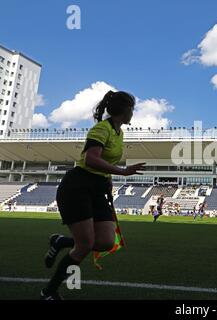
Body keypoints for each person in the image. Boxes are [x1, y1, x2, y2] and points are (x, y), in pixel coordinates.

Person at [40, 90, 146, 300]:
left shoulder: (119, 133)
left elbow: (106, 163)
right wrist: (123, 172)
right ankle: (49, 292)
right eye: (132, 108)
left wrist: (108, 180)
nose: (133, 112)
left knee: (107, 241)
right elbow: (91, 159)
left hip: (97, 188)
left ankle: (61, 242)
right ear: (125, 110)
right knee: (85, 246)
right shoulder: (102, 128)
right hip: (77, 187)